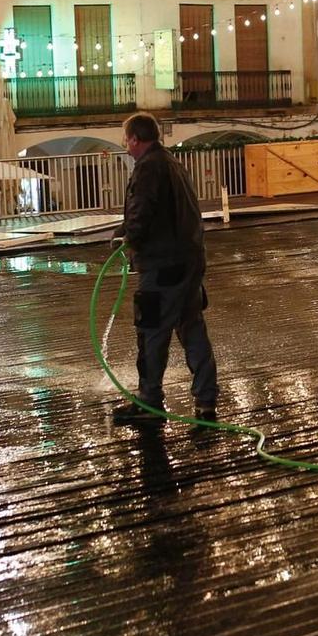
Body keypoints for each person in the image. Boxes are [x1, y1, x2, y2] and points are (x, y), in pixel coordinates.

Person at [112, 112, 219, 424]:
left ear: (134, 139)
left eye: (127, 139)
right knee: (192, 328)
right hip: (190, 262)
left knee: (151, 334)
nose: (126, 145)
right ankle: (206, 400)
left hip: (162, 265)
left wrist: (127, 239)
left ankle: (150, 402)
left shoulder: (148, 169)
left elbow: (141, 213)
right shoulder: (172, 163)